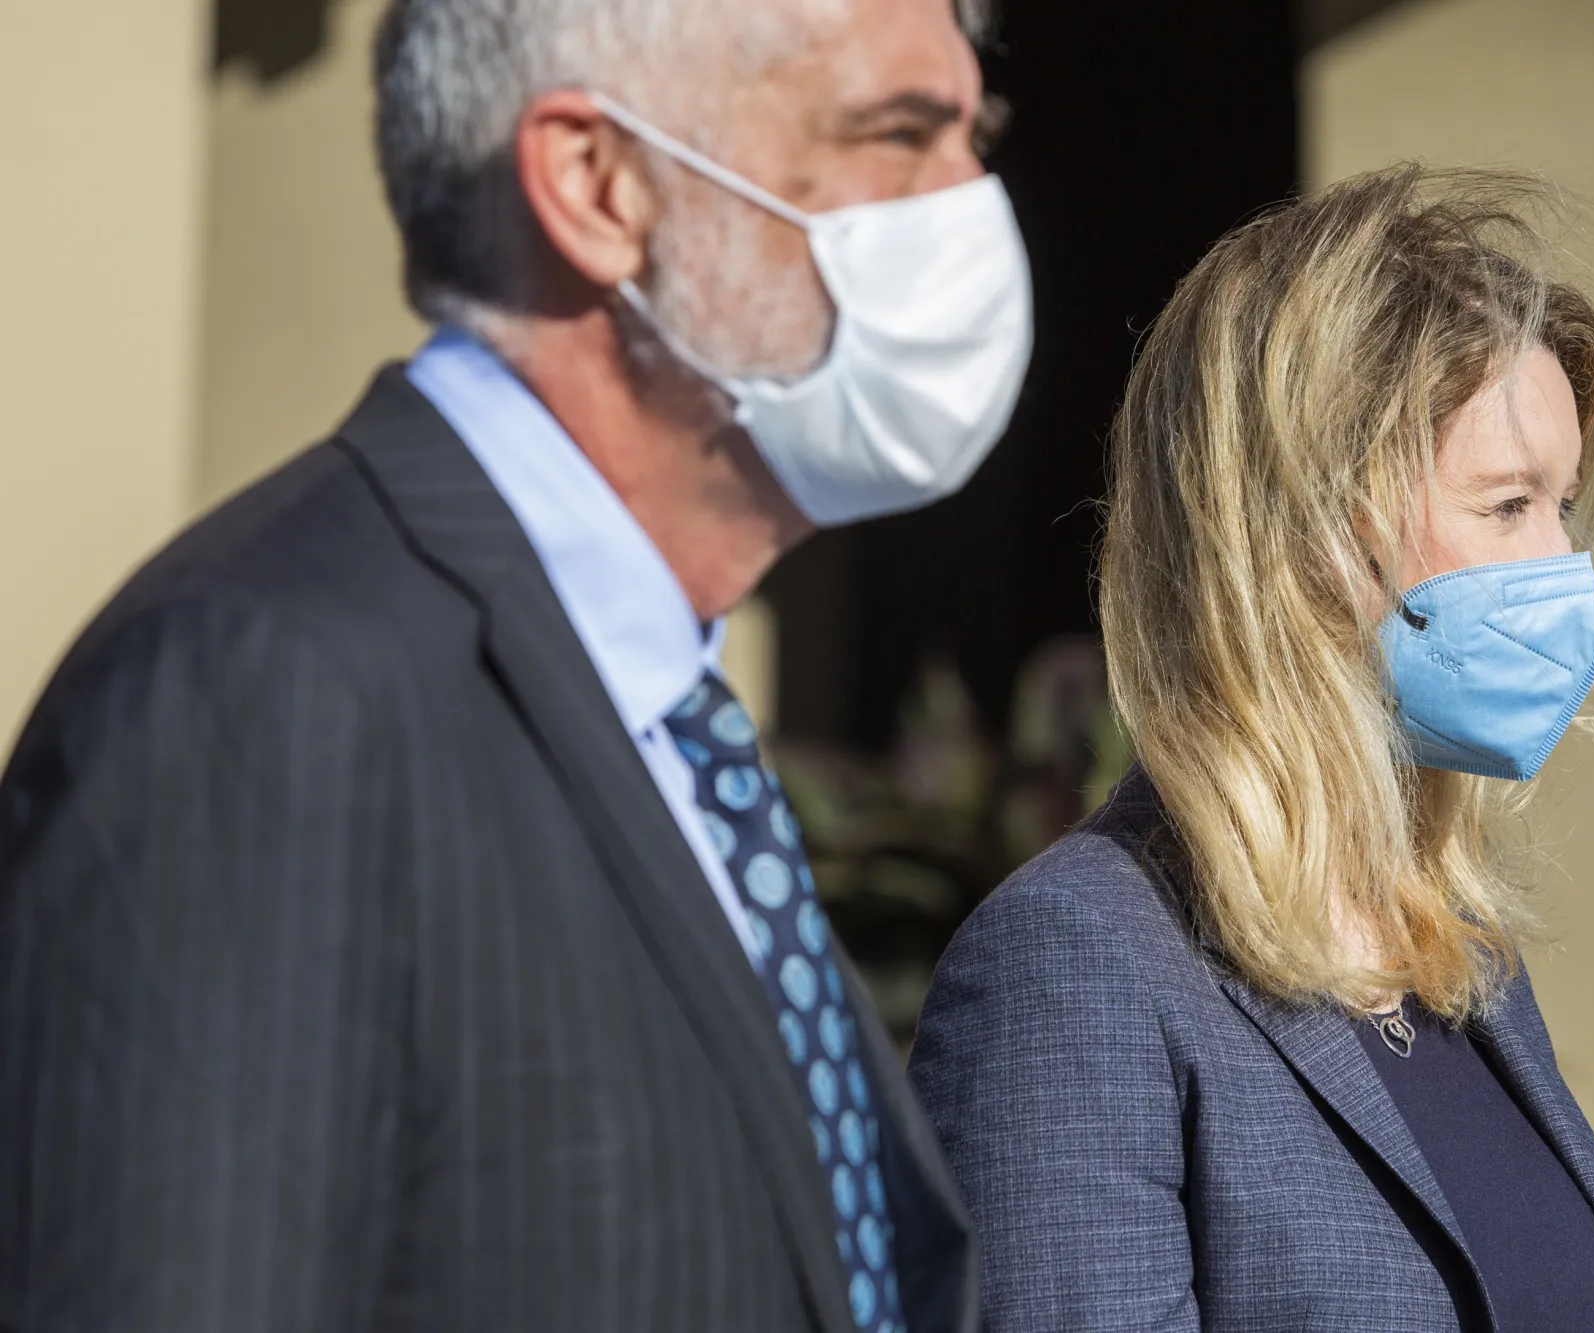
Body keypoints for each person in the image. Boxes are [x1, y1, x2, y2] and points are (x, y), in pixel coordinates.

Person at [0, 0, 1029, 1329]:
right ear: (598, 187)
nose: (969, 201)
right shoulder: (257, 694)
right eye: (897, 132)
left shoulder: (667, 717)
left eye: (974, 132)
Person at [908, 168, 1594, 1332]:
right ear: (1305, 528)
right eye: (1507, 504)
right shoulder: (1073, 967)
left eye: (1561, 504)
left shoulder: (1455, 952)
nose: (1561, 567)